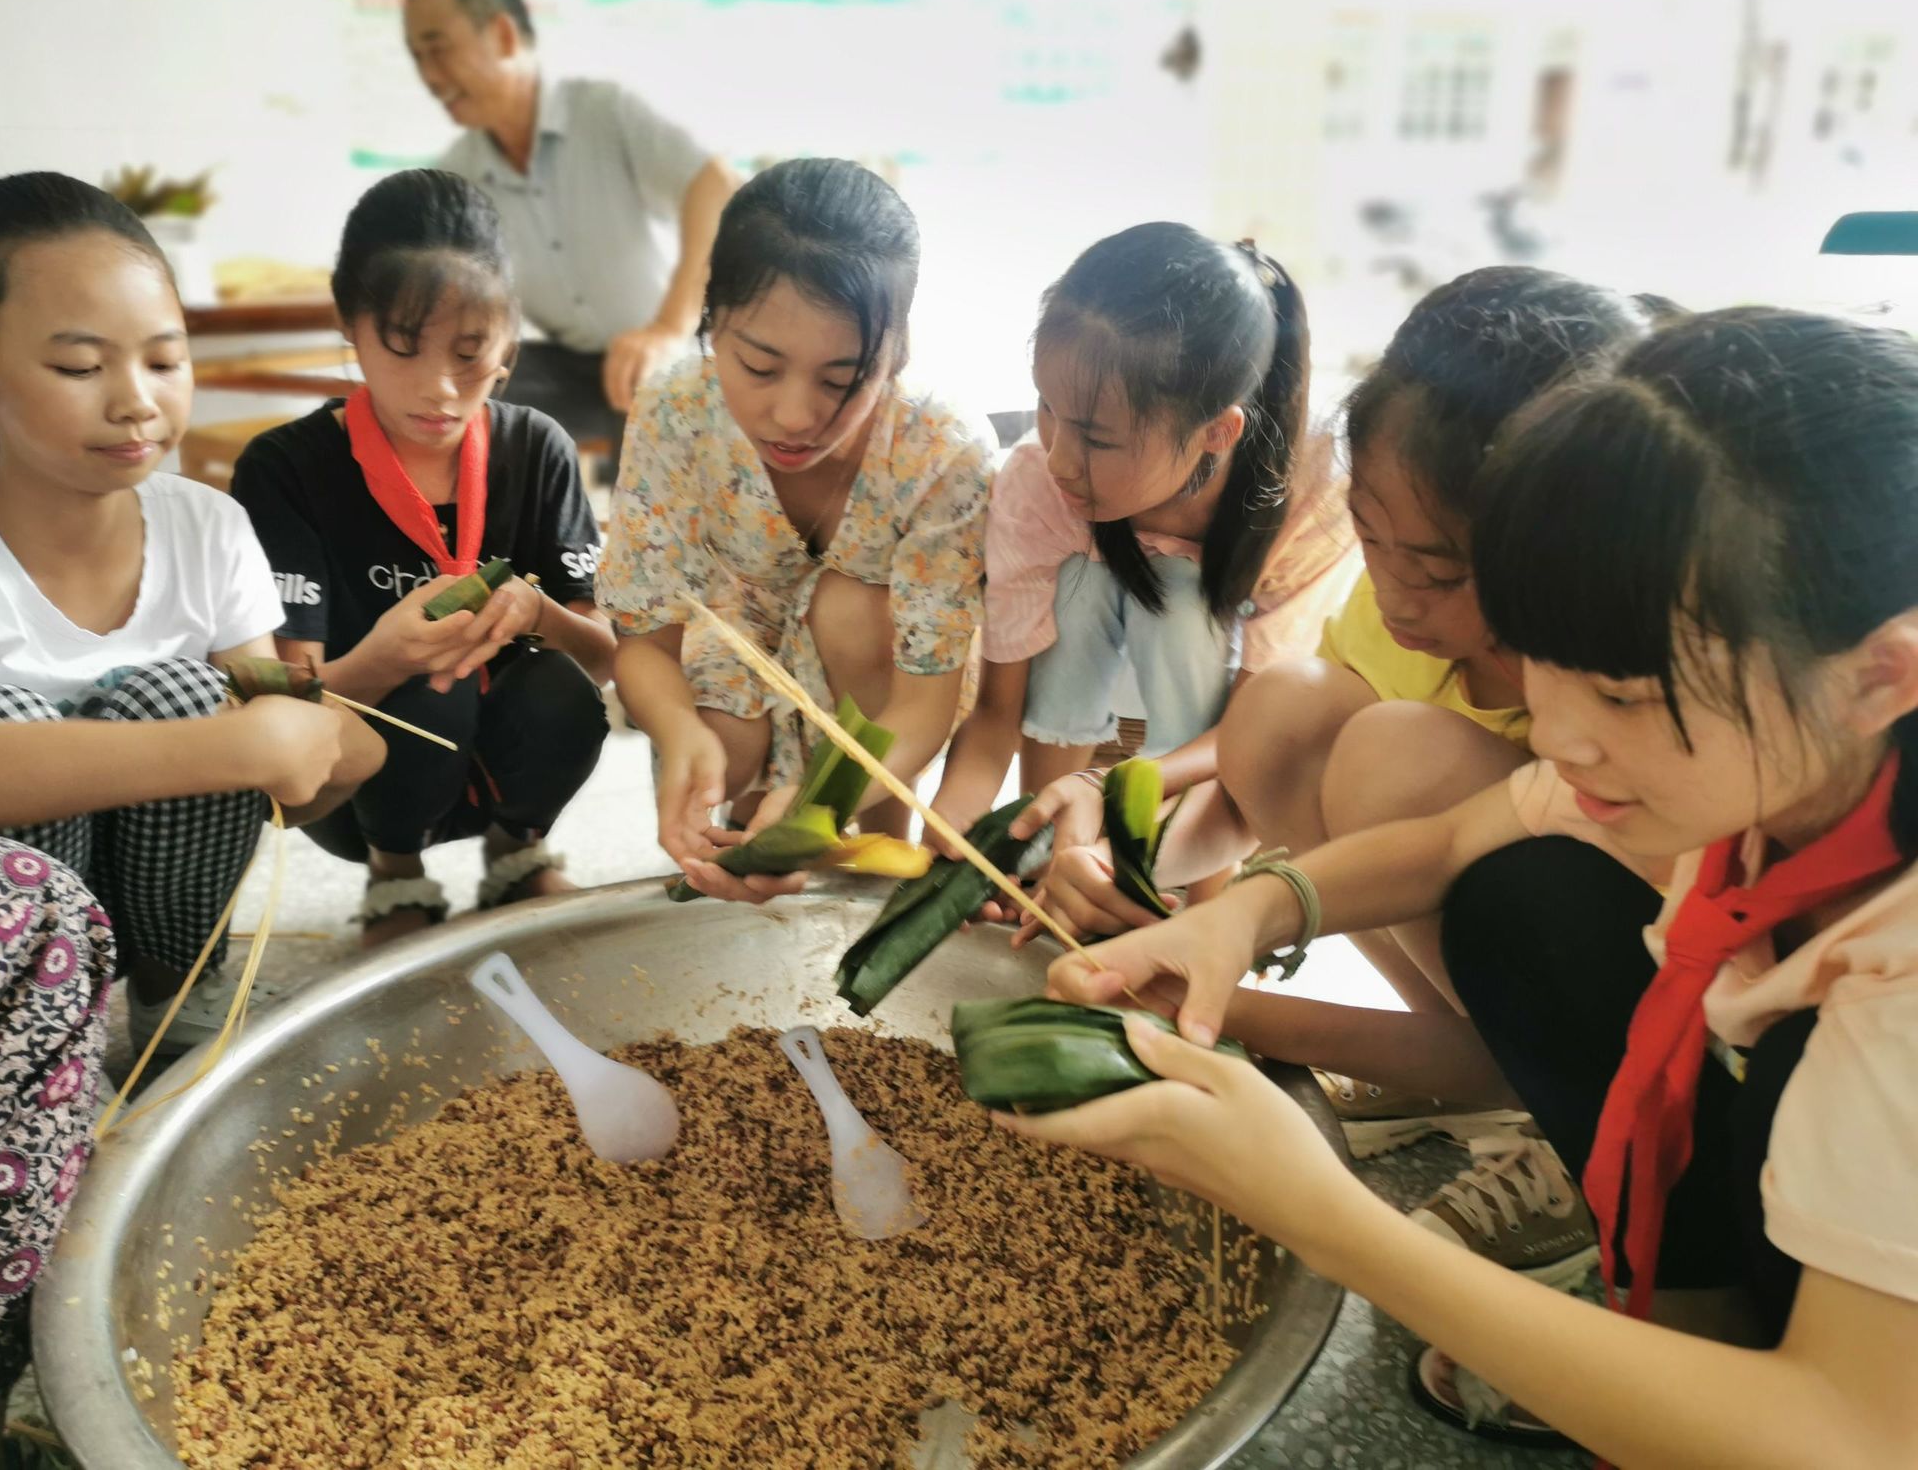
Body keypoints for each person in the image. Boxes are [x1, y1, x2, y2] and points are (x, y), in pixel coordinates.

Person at [1019, 308, 1918, 1460]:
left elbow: (1852, 1438)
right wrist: (1241, 916)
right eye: (1541, 664)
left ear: (1877, 675)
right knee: (1522, 896)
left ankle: (1698, 1371)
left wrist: (1322, 1217)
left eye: (1626, 699)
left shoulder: (1895, 988)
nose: (1554, 730)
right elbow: (1450, 839)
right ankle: (1678, 1332)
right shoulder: (1788, 768)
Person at [0, 172, 383, 1051]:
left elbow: (280, 746)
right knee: (0, 720)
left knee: (182, 694)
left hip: (163, 905)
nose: (136, 399)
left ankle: (179, 989)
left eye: (165, 361)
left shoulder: (209, 527)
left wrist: (324, 743)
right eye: (80, 367)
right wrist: (227, 744)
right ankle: (39, 1021)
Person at [233, 169, 613, 946]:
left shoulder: (536, 447)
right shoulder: (286, 467)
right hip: (354, 778)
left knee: (562, 691)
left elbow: (607, 658)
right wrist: (380, 657)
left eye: (472, 355)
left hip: (508, 756)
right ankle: (393, 870)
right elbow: (286, 700)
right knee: (424, 693)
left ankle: (518, 850)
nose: (439, 389)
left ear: (509, 338)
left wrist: (538, 614)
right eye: (402, 347)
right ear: (351, 321)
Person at [598, 157, 992, 904]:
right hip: (739, 639)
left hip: (874, 661)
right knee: (726, 752)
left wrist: (825, 807)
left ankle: (867, 837)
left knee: (850, 605)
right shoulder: (677, 410)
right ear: (711, 327)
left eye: (841, 380)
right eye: (758, 365)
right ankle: (757, 833)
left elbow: (923, 701)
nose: (795, 416)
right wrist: (680, 732)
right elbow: (644, 644)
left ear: (899, 350)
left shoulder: (942, 452)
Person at [928, 223, 1356, 855]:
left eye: (1098, 440)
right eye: (1045, 409)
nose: (1061, 461)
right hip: (1088, 697)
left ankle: (1189, 889)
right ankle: (1047, 851)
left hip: (1213, 739)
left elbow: (1252, 738)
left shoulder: (1313, 501)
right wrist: (953, 821)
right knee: (1082, 586)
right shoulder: (1036, 481)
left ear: (1217, 432)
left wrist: (1119, 794)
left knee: (1184, 607)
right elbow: (995, 714)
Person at [401, 0, 738, 462]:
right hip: (571, 366)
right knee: (467, 392)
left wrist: (667, 330)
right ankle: (497, 534)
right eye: (418, 58)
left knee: (659, 409)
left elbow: (717, 187)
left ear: (503, 34)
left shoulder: (604, 113)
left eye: (439, 49)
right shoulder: (456, 177)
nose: (430, 77)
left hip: (669, 357)